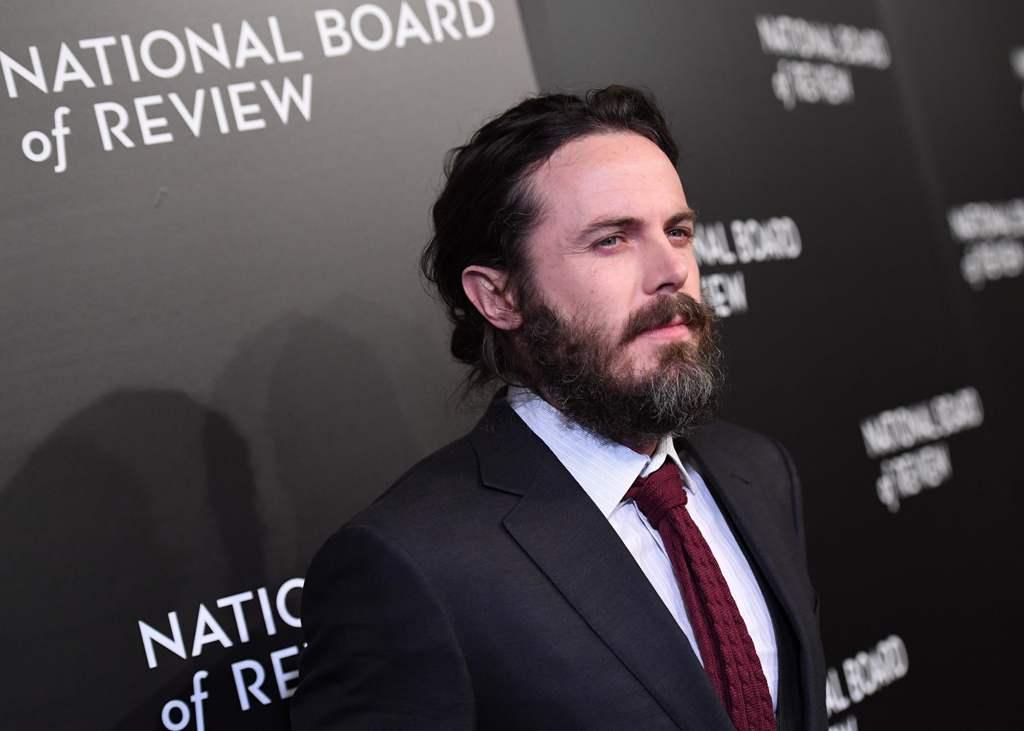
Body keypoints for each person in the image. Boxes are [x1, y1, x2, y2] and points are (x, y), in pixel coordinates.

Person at [290, 85, 826, 731]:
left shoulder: (758, 472)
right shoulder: (412, 568)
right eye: (611, 240)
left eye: (678, 230)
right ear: (500, 296)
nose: (671, 270)